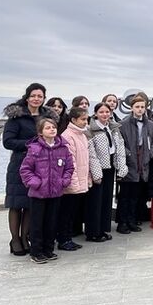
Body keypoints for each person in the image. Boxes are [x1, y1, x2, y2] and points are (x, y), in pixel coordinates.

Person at [3, 83, 55, 256]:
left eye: (40, 96)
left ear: (44, 98)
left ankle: (25, 238)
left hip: (41, 166)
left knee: (30, 204)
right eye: (33, 96)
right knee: (16, 204)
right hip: (20, 164)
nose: (36, 99)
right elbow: (8, 141)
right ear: (27, 97)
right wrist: (32, 144)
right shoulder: (17, 117)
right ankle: (15, 240)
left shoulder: (46, 117)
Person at [19, 118, 74, 263]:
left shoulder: (63, 148)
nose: (52, 130)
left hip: (56, 192)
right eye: (48, 128)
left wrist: (64, 181)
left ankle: (48, 249)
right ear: (40, 132)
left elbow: (69, 167)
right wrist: (35, 183)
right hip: (38, 194)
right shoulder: (35, 149)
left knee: (51, 222)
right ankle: (36, 252)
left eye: (53, 127)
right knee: (37, 224)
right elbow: (25, 169)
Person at [117, 93, 153, 234]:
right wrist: (128, 154)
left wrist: (150, 153)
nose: (140, 109)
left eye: (142, 107)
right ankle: (122, 222)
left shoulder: (150, 124)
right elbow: (119, 142)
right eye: (137, 107)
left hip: (143, 161)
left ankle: (132, 220)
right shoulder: (124, 124)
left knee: (136, 194)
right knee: (125, 195)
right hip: (129, 162)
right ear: (132, 108)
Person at [87, 102, 128, 241]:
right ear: (96, 113)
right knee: (95, 201)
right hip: (98, 168)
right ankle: (93, 232)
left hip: (110, 166)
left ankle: (103, 229)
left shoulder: (113, 128)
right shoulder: (91, 129)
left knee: (106, 199)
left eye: (107, 112)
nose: (105, 115)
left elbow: (119, 147)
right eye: (101, 112)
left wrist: (121, 167)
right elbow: (91, 153)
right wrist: (96, 172)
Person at [57, 107, 91, 251]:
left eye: (86, 119)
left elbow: (85, 160)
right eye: (83, 119)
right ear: (73, 120)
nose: (85, 122)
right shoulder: (68, 136)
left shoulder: (82, 135)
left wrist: (87, 178)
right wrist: (74, 183)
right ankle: (63, 239)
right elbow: (71, 163)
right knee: (66, 213)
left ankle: (68, 238)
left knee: (72, 213)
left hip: (80, 180)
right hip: (72, 182)